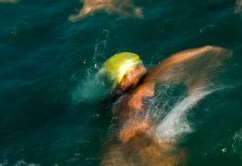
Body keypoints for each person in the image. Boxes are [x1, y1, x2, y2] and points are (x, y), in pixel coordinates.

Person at [98, 46, 230, 165]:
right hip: (140, 134)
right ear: (127, 75)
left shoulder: (112, 96)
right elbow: (168, 64)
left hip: (116, 138)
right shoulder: (141, 86)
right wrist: (206, 50)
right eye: (137, 66)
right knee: (174, 159)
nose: (142, 68)